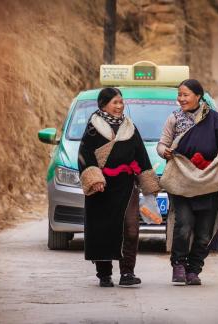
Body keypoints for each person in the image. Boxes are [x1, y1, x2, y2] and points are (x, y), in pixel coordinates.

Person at [157, 79, 218, 285]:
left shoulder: (217, 121)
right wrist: (164, 152)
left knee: (204, 232)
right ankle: (178, 265)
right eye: (179, 95)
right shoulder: (174, 119)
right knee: (183, 225)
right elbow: (162, 144)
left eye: (185, 95)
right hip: (182, 181)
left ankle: (194, 270)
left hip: (208, 182)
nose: (181, 99)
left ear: (198, 96)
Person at [78, 87, 160, 287]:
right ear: (104, 104)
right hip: (102, 188)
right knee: (103, 229)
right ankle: (104, 274)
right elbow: (85, 155)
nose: (119, 106)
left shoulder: (129, 127)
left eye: (121, 102)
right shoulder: (93, 127)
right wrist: (94, 178)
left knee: (131, 229)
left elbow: (141, 155)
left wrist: (148, 185)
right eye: (115, 102)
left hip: (126, 186)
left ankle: (127, 273)